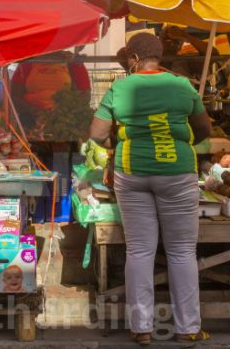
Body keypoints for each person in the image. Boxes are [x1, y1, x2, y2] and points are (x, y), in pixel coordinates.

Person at [89, 33, 212, 345]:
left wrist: (117, 144)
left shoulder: (120, 87)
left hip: (132, 172)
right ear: (160, 57)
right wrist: (177, 145)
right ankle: (188, 329)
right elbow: (203, 130)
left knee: (139, 251)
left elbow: (96, 133)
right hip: (178, 173)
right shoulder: (183, 86)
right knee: (182, 252)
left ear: (133, 59)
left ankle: (141, 328)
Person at [10, 50, 91, 128]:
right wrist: (32, 110)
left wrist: (65, 112)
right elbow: (14, 96)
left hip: (64, 121)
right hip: (31, 120)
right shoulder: (28, 62)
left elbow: (85, 96)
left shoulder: (71, 61)